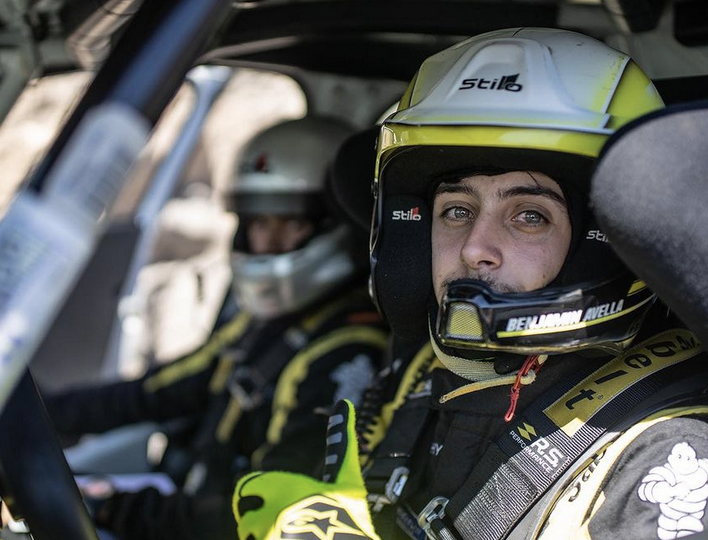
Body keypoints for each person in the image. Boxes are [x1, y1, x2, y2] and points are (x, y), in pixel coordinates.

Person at [232, 28, 708, 540]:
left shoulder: (665, 457)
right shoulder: (421, 372)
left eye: (529, 216)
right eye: (457, 211)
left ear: (603, 242)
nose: (474, 248)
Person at [42, 115, 389, 540]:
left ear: (337, 228)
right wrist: (43, 413)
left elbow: (272, 513)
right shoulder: (259, 327)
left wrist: (112, 506)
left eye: (291, 223)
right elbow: (153, 391)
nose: (268, 243)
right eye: (259, 224)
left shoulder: (348, 353)